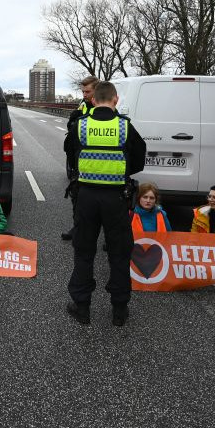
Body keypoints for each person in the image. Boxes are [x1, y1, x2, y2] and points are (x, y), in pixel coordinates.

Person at [64, 81, 146, 327]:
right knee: (119, 254)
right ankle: (119, 311)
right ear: (115, 100)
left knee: (84, 251)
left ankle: (82, 307)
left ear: (92, 100)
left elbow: (71, 156)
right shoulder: (125, 127)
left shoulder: (79, 126)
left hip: (86, 197)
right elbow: (138, 161)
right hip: (116, 198)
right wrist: (117, 171)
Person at [61, 76, 99, 241]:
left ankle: (108, 239)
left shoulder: (104, 107)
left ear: (96, 91)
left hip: (98, 162)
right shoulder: (83, 105)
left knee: (102, 203)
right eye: (83, 91)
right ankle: (77, 229)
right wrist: (73, 121)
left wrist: (77, 121)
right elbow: (73, 129)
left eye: (88, 91)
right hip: (80, 161)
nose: (84, 94)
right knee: (77, 198)